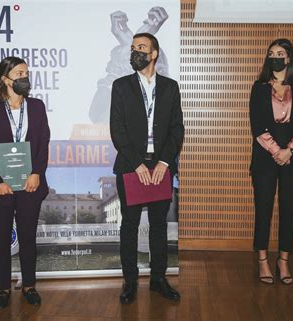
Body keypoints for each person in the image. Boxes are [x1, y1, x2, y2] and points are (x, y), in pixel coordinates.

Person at [110, 33, 184, 303]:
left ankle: (158, 279)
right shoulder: (121, 86)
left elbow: (177, 129)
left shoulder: (170, 87)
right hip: (131, 165)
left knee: (158, 226)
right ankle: (129, 282)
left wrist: (164, 163)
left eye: (141, 48)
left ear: (154, 54)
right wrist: (137, 163)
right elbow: (117, 130)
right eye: (132, 48)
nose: (135, 52)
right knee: (129, 225)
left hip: (161, 166)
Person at [0, 56, 50, 308]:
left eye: (26, 73)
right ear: (4, 79)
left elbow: (43, 143)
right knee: (1, 238)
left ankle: (29, 286)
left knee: (28, 236)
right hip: (1, 187)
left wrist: (36, 173)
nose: (24, 78)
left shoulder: (38, 107)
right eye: (19, 73)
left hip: (30, 184)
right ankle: (2, 288)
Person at [249, 39, 293, 285]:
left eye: (280, 53)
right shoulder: (259, 87)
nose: (275, 57)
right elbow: (256, 124)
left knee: (288, 210)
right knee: (263, 209)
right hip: (265, 158)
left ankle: (283, 260)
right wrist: (277, 151)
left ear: (289, 59)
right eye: (271, 53)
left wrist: (290, 151)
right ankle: (263, 259)